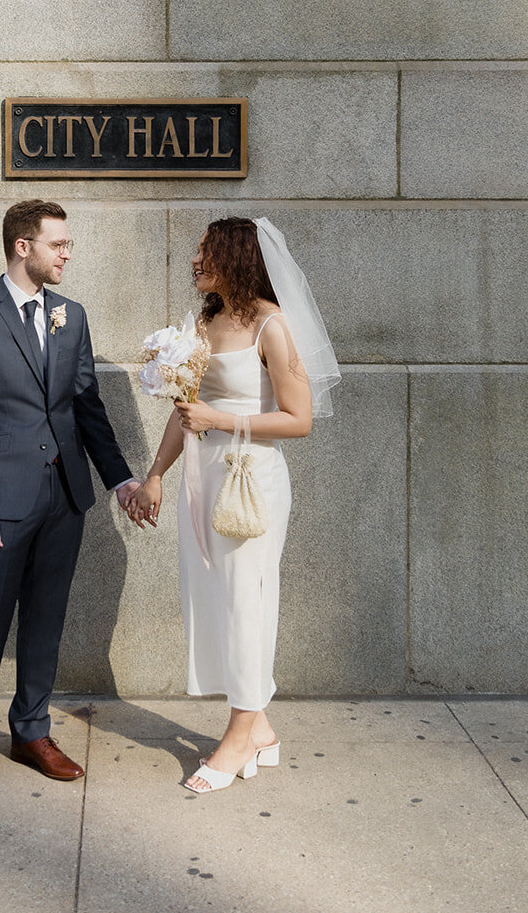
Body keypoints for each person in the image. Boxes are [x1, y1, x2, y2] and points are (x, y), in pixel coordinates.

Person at [0, 199, 143, 801]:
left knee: (46, 621)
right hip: (2, 501)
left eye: (67, 244)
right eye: (58, 244)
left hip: (64, 497)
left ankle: (31, 731)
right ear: (23, 246)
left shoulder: (71, 317)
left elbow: (88, 408)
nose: (67, 253)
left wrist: (119, 479)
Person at [128, 216, 340, 793]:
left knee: (248, 601)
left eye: (204, 251)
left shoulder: (271, 325)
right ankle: (262, 728)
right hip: (204, 478)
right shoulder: (207, 320)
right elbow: (183, 410)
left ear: (233, 255)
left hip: (253, 481)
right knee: (220, 600)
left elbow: (299, 420)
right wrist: (155, 474)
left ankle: (237, 737)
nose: (194, 260)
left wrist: (222, 420)